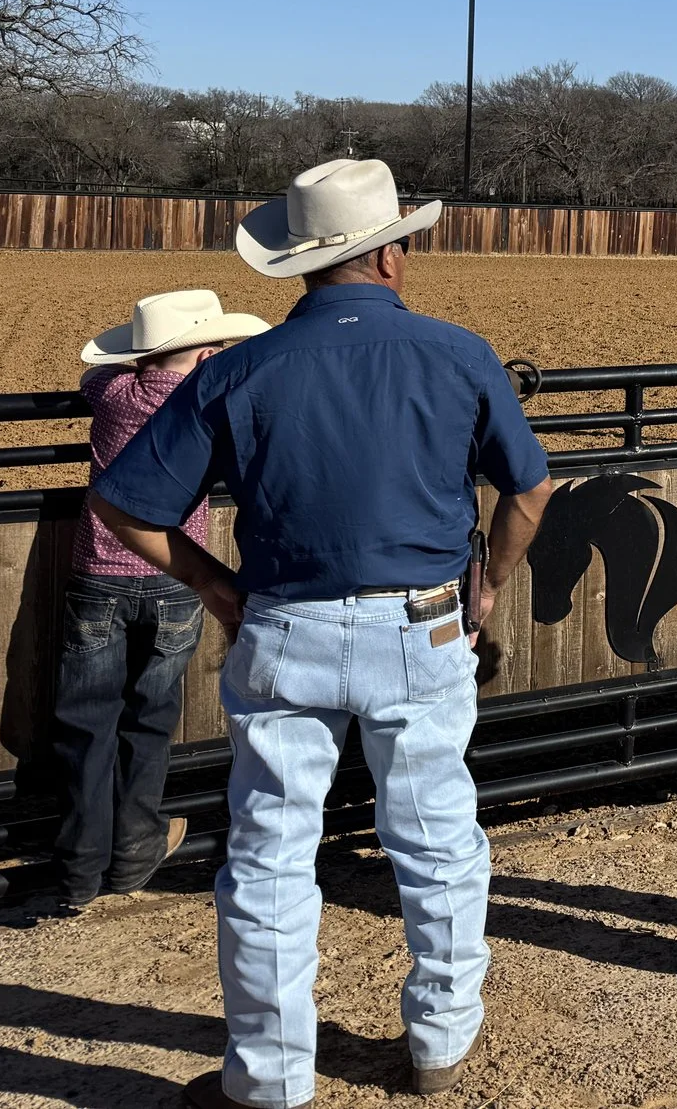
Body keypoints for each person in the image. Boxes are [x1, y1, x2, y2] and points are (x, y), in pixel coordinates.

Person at [90, 159, 556, 1109]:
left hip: (283, 626)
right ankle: (439, 1040)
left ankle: (268, 1079)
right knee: (437, 841)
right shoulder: (460, 352)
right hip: (425, 622)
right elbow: (531, 490)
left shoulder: (240, 368)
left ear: (303, 263)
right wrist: (489, 586)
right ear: (390, 253)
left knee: (267, 854)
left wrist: (214, 585)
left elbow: (125, 499)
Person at [45, 290, 270, 916]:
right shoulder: (208, 402)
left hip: (99, 576)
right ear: (199, 355)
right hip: (177, 578)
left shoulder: (116, 395)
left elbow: (94, 375)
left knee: (85, 724)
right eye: (214, 347)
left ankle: (77, 872)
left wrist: (136, 362)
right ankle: (136, 849)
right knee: (150, 719)